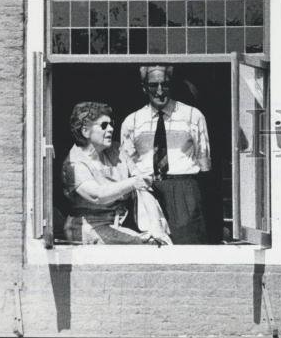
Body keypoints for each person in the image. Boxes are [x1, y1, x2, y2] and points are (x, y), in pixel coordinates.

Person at [120, 65, 212, 244]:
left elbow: (204, 162)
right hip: (147, 190)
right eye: (154, 85)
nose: (160, 91)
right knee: (151, 247)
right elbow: (128, 164)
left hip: (184, 189)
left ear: (172, 85)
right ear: (144, 87)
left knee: (188, 247)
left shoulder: (193, 115)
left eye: (165, 84)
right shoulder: (132, 121)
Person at [62, 101, 164, 244]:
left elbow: (143, 185)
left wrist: (156, 226)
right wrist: (132, 183)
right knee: (145, 247)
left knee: (159, 242)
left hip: (121, 223)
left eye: (111, 124)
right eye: (104, 125)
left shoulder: (117, 150)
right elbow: (98, 195)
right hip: (88, 228)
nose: (110, 129)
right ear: (85, 131)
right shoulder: (74, 164)